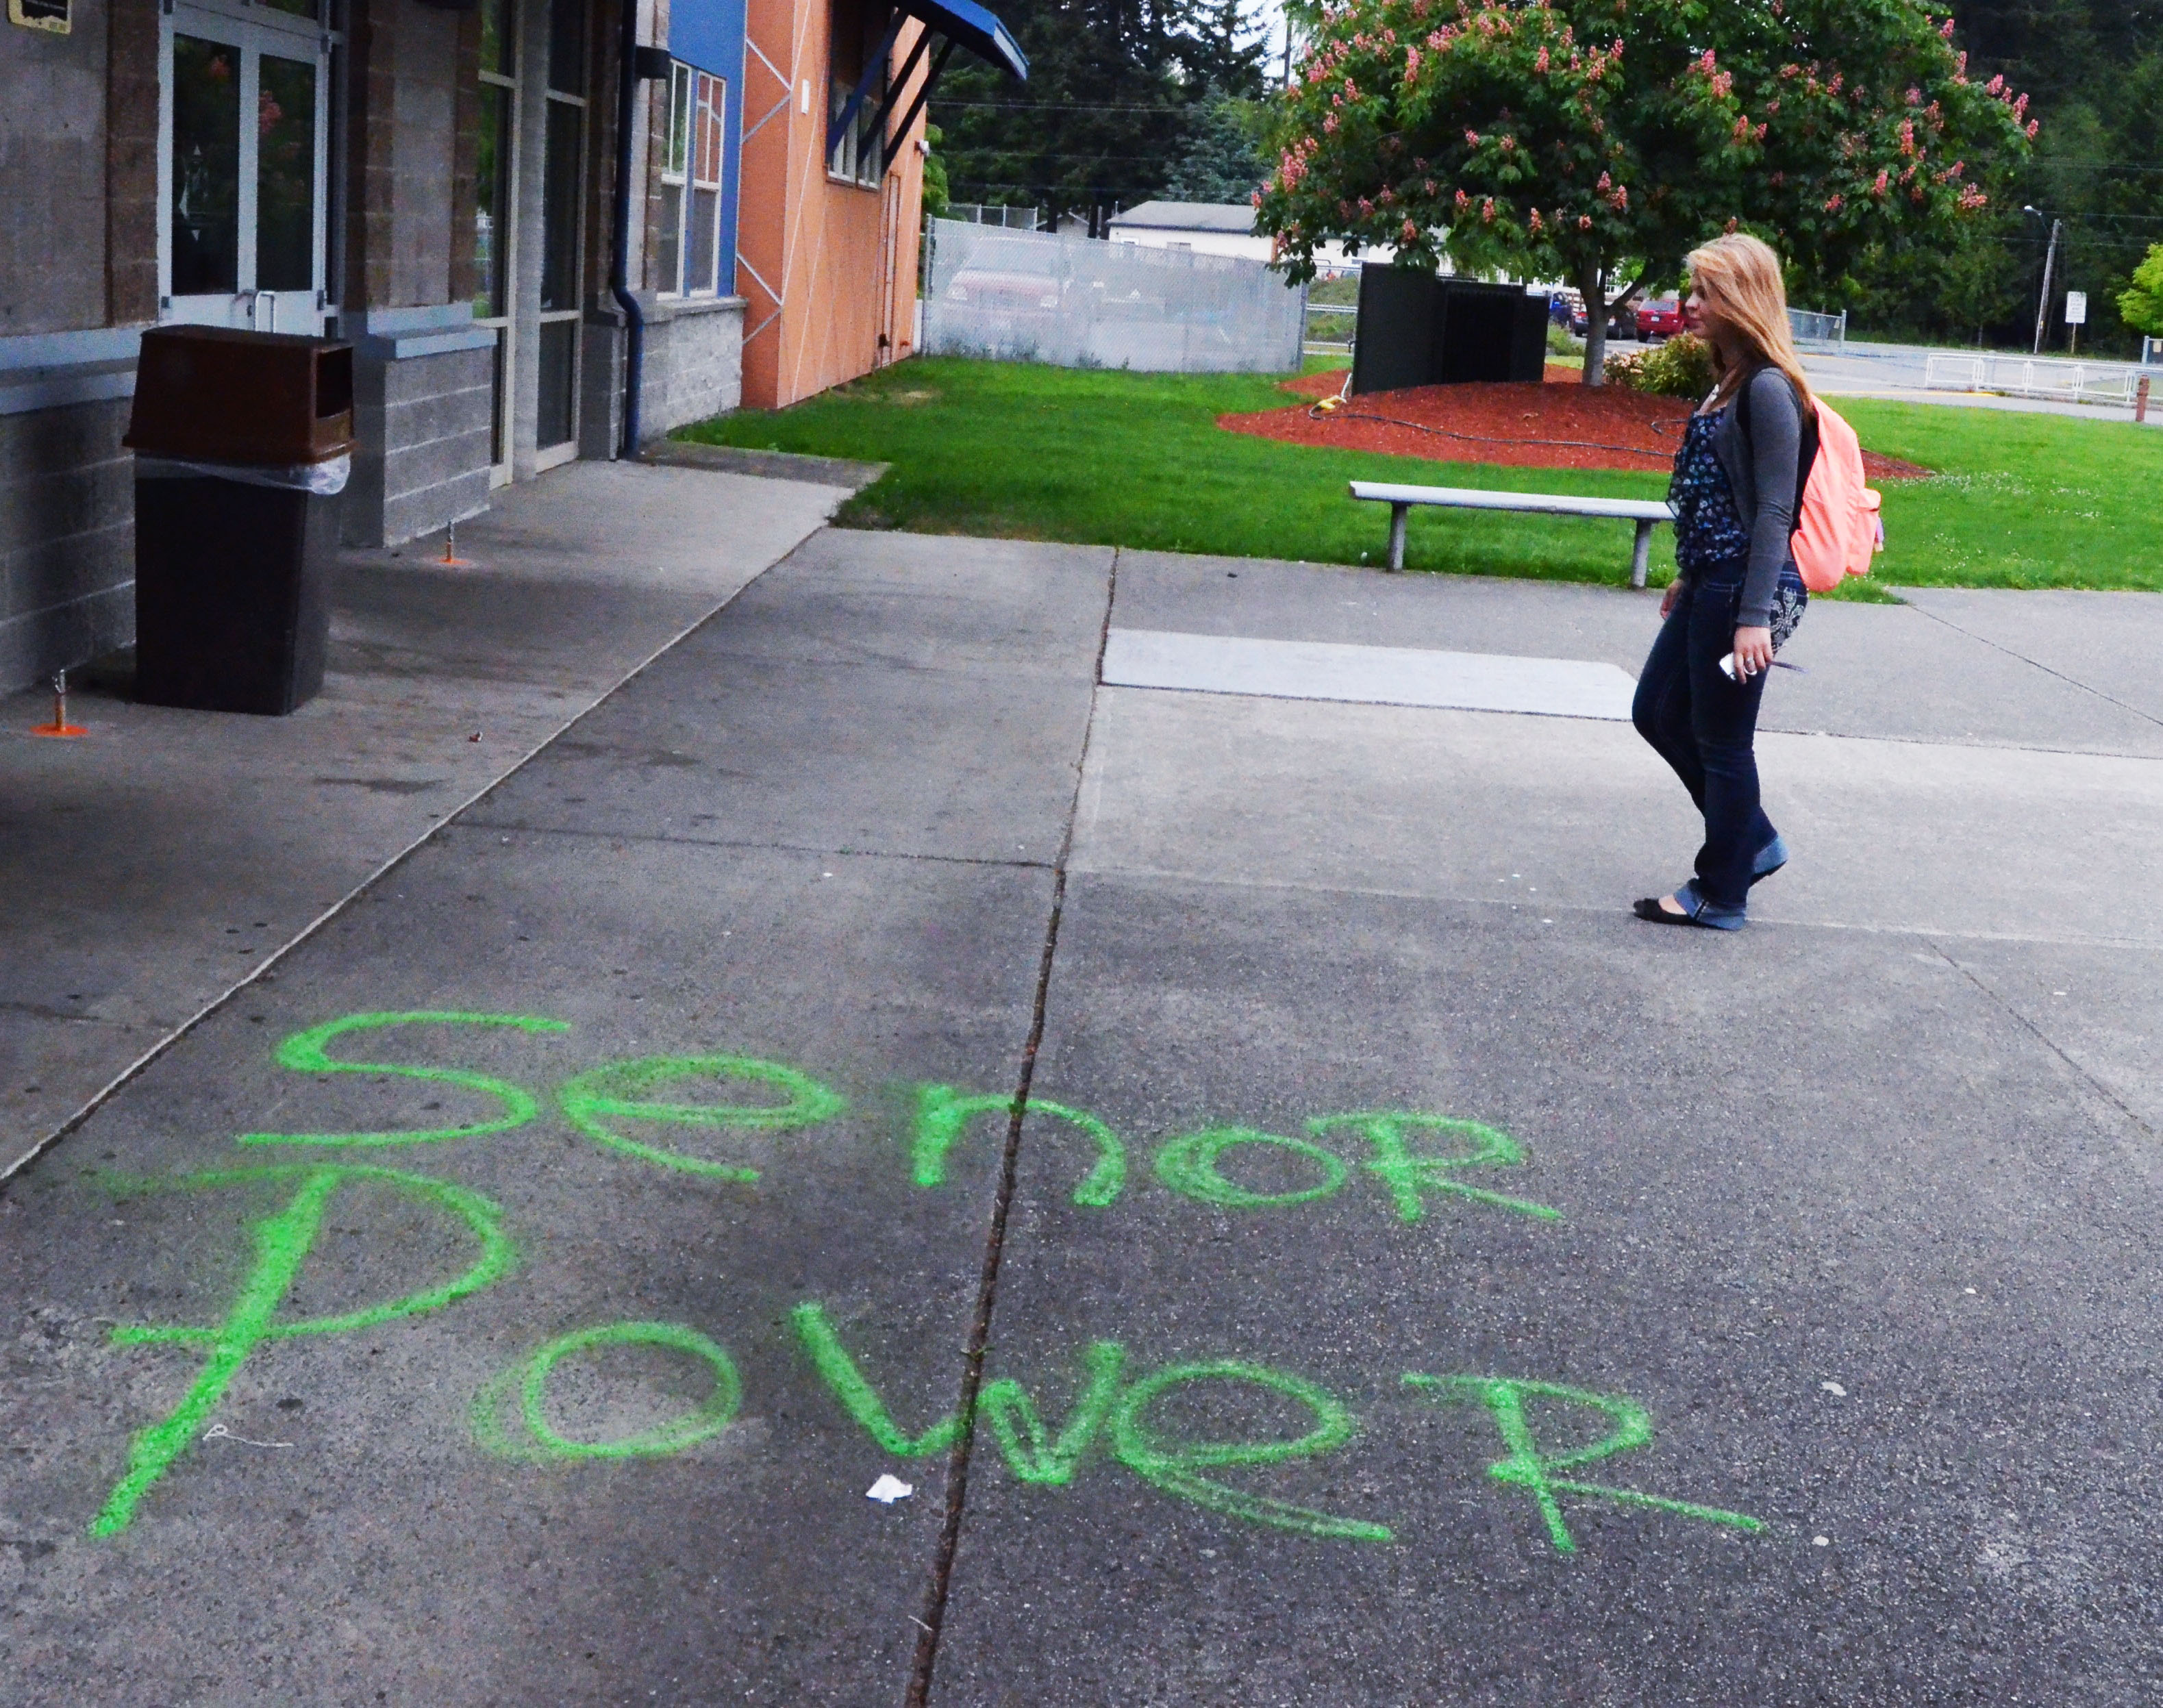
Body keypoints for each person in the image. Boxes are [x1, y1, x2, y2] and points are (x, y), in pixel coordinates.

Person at [1629, 234, 1819, 930]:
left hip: (1741, 587)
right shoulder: (1729, 380)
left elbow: (1774, 511)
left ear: (1742, 299)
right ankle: (1752, 840)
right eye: (1694, 290)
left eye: (1706, 292)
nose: (1690, 304)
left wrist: (1752, 616)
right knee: (1654, 711)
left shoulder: (1768, 387)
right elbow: (1716, 494)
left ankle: (1720, 889)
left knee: (1721, 741)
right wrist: (1685, 574)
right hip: (1708, 578)